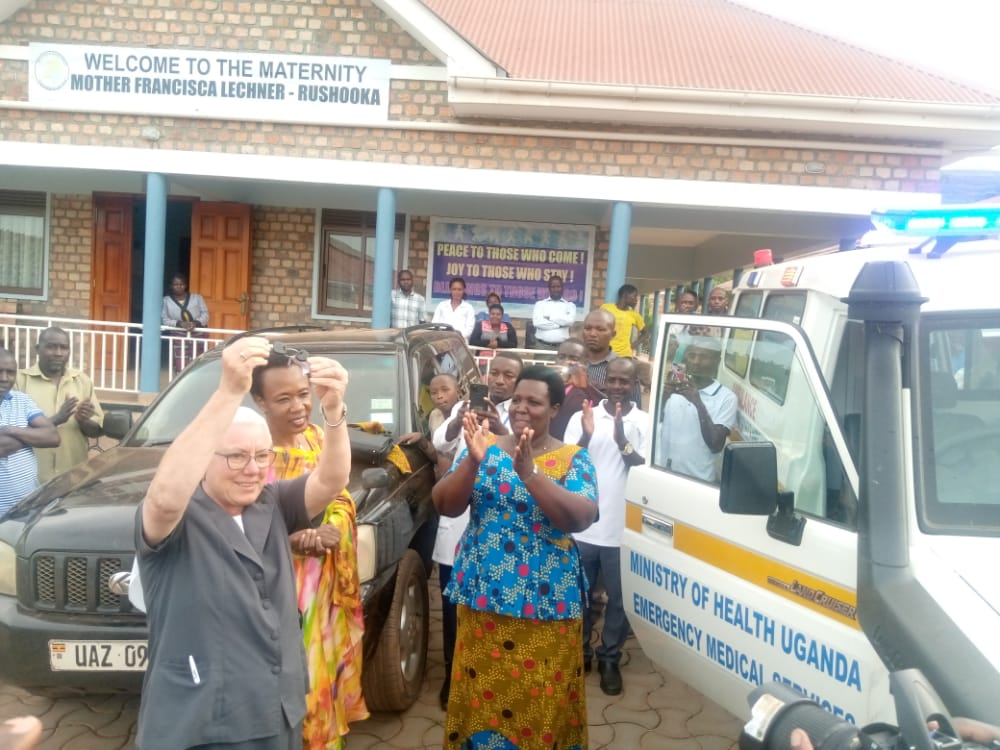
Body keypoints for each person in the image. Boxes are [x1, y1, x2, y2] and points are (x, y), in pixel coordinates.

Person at [133, 336, 351, 750]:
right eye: (236, 457)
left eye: (261, 457)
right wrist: (229, 390)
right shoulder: (178, 519)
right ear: (204, 460)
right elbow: (162, 498)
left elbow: (331, 479)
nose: (252, 470)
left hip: (276, 711)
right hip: (202, 723)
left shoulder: (269, 503)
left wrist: (335, 411)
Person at [432, 365, 598, 749]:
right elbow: (444, 504)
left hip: (546, 604)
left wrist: (531, 474)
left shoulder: (573, 458)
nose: (522, 408)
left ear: (555, 408)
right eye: (517, 399)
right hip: (483, 596)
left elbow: (580, 516)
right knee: (482, 694)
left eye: (534, 402)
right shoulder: (483, 447)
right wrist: (472, 462)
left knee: (540, 699)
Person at [250, 349, 367, 750]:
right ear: (259, 402)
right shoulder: (250, 455)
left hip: (321, 593)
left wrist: (333, 527)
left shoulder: (320, 437)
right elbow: (234, 526)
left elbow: (340, 495)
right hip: (274, 597)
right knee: (283, 685)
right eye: (283, 399)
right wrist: (289, 540)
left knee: (319, 678)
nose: (299, 407)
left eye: (303, 394)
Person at [431, 351, 523, 711]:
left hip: (499, 533)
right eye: (495, 373)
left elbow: (529, 457)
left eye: (508, 376)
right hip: (458, 524)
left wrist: (502, 429)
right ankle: (451, 677)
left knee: (493, 609)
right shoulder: (464, 407)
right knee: (453, 605)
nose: (499, 380)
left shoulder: (520, 412)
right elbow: (441, 442)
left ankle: (490, 677)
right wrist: (461, 418)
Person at [564, 358, 648, 697]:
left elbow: (643, 470)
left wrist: (622, 440)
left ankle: (610, 657)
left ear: (633, 385)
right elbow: (565, 462)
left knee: (620, 600)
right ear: (603, 381)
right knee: (579, 596)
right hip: (583, 527)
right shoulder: (582, 416)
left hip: (620, 530)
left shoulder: (642, 421)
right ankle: (580, 653)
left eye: (623, 381)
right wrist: (586, 436)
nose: (616, 386)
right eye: (611, 380)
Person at [15, 327, 104, 484]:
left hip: (72, 479)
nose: (58, 353)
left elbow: (96, 431)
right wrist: (56, 419)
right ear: (38, 349)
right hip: (29, 481)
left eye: (64, 347)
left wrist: (83, 420)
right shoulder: (19, 381)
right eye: (51, 346)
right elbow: (11, 434)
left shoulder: (82, 380)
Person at [656, 336, 737, 482]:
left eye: (704, 357)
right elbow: (656, 424)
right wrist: (664, 397)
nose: (696, 362)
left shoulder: (726, 398)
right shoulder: (675, 387)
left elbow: (715, 445)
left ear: (717, 361)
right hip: (663, 473)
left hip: (698, 480)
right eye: (692, 355)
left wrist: (697, 402)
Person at [0, 348, 60, 516]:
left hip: (26, 508)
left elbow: (53, 436)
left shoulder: (22, 400)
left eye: (10, 373)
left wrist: (9, 430)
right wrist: (32, 434)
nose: (4, 378)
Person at [583, 308, 643, 406]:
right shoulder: (573, 362)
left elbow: (634, 413)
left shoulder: (625, 370)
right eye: (588, 328)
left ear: (613, 334)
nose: (592, 334)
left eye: (600, 329)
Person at [549, 338, 605, 441]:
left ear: (586, 363)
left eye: (574, 359)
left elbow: (606, 406)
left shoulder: (594, 387)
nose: (567, 362)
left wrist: (587, 387)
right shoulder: (547, 384)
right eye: (561, 357)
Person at [161, 273, 210, 372]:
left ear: (186, 285)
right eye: (175, 284)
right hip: (179, 334)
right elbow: (164, 319)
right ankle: (183, 381)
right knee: (181, 359)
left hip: (198, 333)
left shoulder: (197, 298)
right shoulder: (166, 300)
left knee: (198, 359)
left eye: (181, 284)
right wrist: (180, 324)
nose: (179, 287)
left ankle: (197, 380)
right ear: (171, 286)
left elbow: (205, 315)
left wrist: (195, 323)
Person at [531, 274, 577, 349]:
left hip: (563, 347)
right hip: (542, 347)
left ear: (562, 288)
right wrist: (560, 325)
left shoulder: (570, 306)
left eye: (558, 286)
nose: (556, 289)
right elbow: (537, 323)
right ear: (549, 288)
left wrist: (550, 317)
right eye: (553, 287)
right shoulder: (540, 304)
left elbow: (570, 321)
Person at [601, 284, 646, 358]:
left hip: (624, 354)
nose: (636, 300)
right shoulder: (606, 308)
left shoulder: (634, 315)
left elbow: (645, 333)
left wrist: (632, 346)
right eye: (634, 296)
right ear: (625, 295)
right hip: (606, 352)